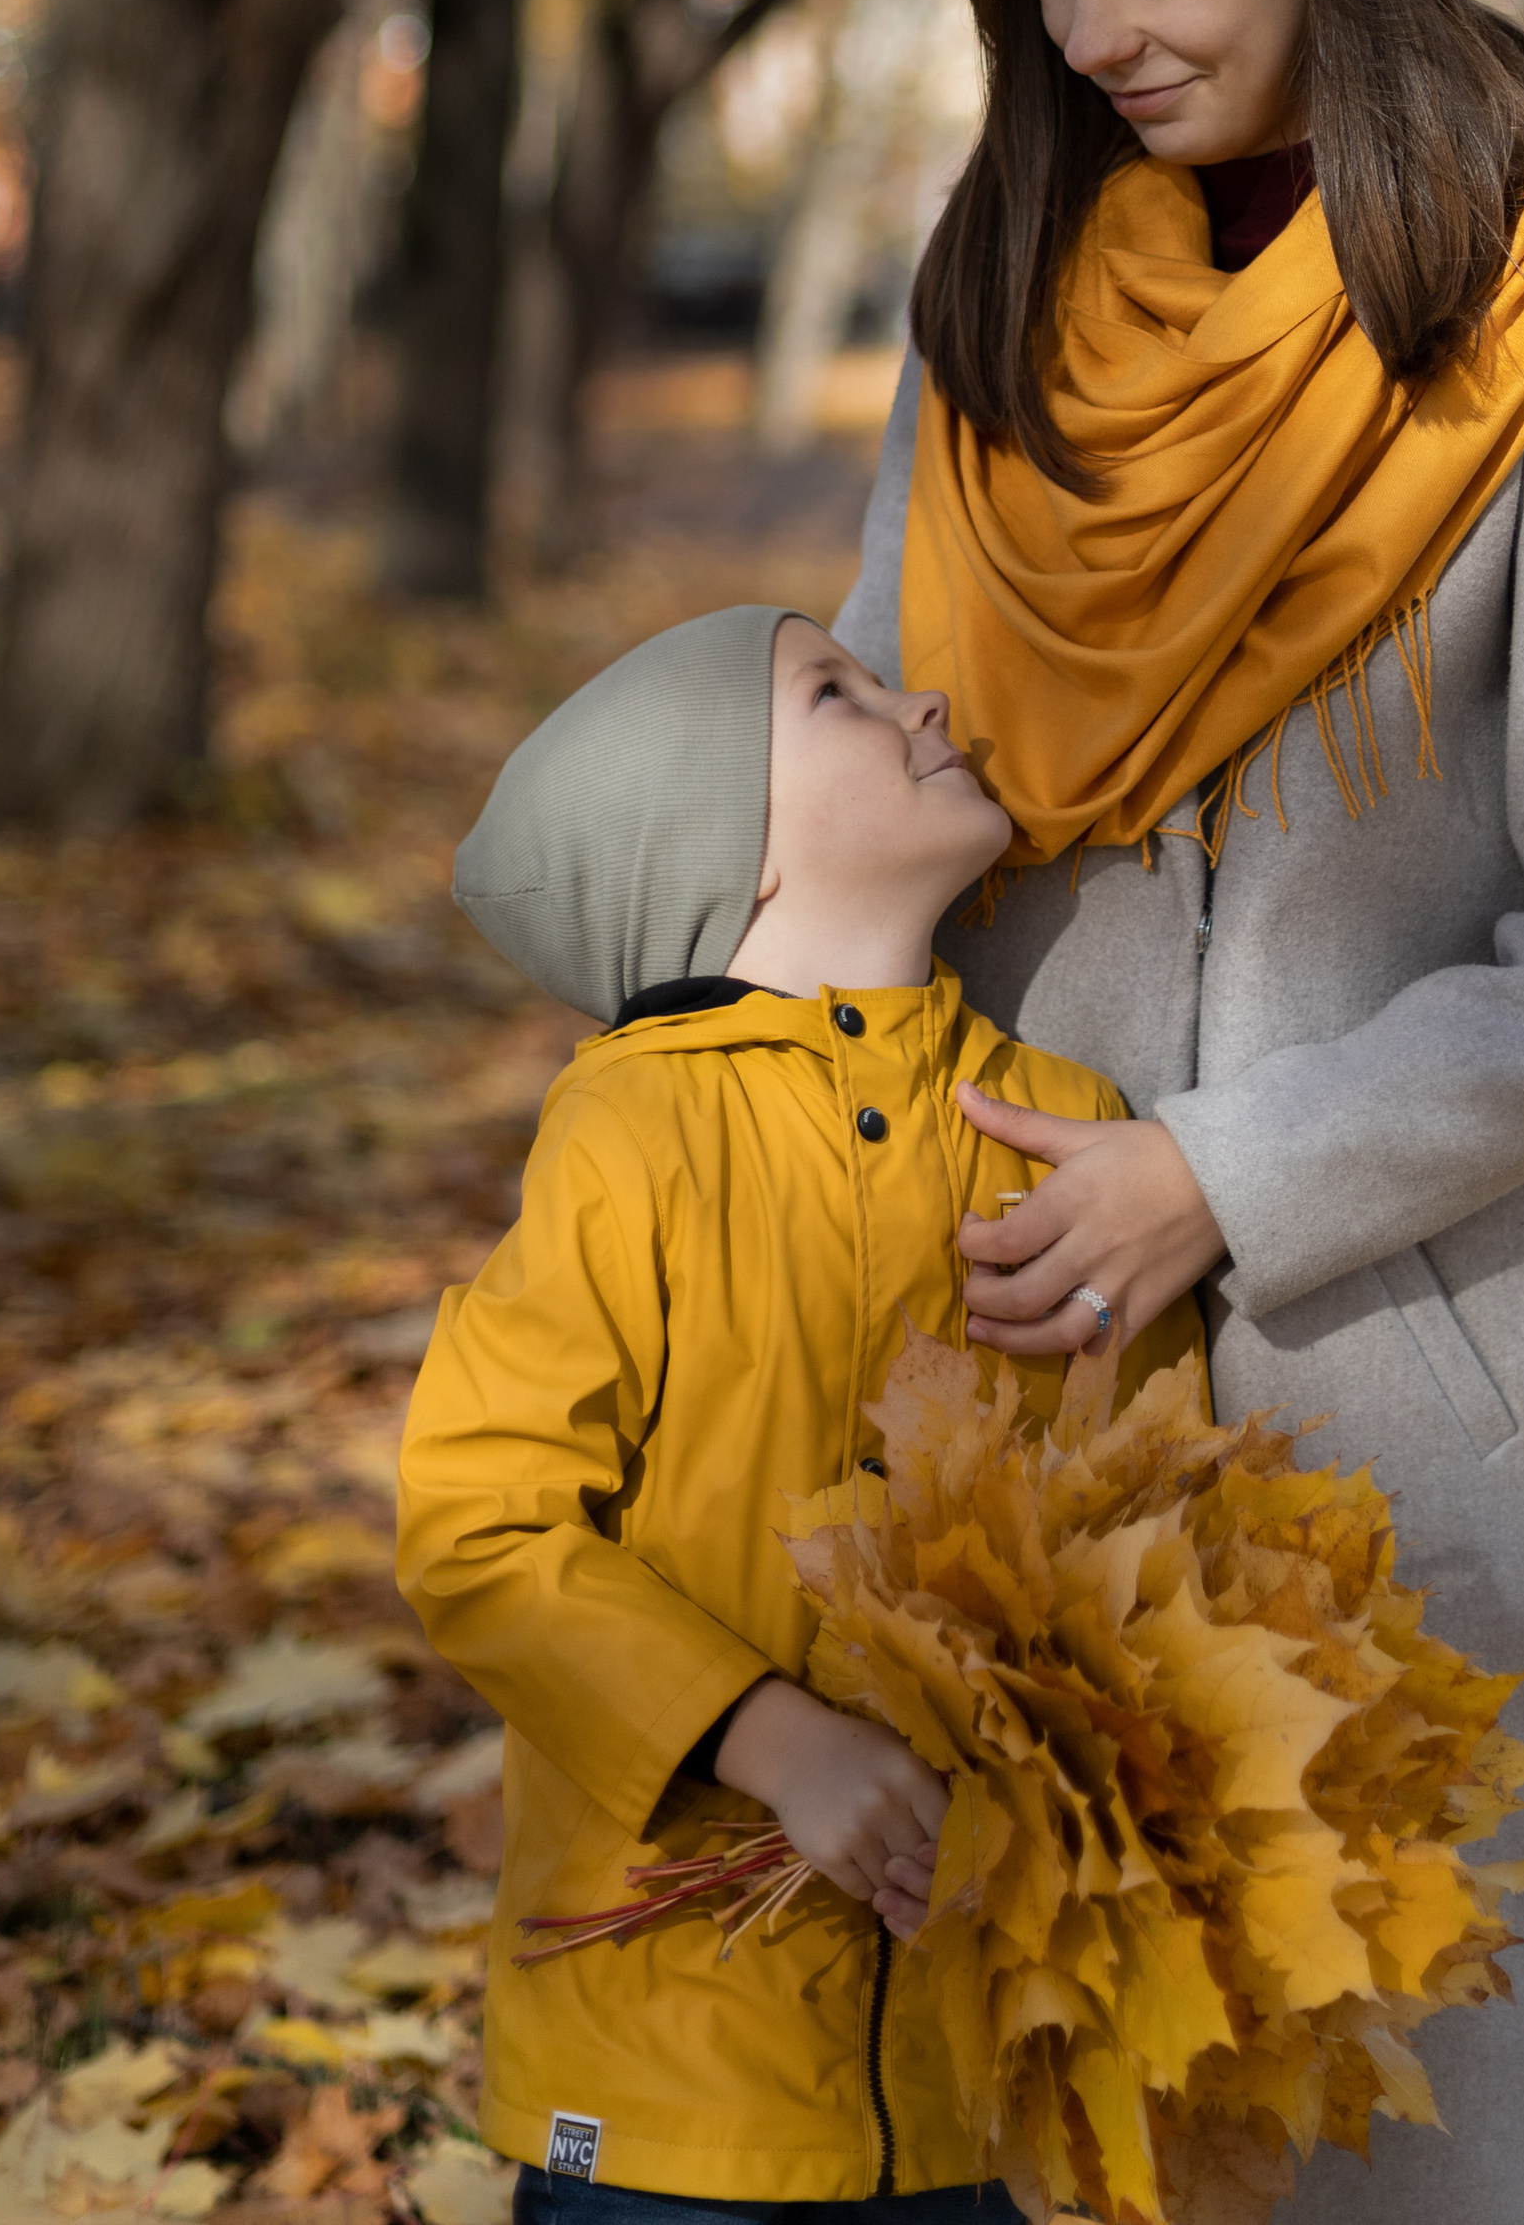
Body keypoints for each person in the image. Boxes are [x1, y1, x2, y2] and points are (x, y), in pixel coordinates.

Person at [831, 0, 1524, 2225]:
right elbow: (871, 817)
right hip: (1017, 1382)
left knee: (1398, 2143)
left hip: (1418, 1406)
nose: (1100, 30)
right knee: (1036, 2130)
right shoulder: (998, 320)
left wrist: (1227, 1177)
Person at [396, 602, 1203, 2223]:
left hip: (984, 2037)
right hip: (667, 2060)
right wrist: (771, 1739)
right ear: (732, 857)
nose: (916, 701)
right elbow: (479, 1521)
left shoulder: (1064, 1130)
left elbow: (1156, 1511)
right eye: (834, 694)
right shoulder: (635, 1135)